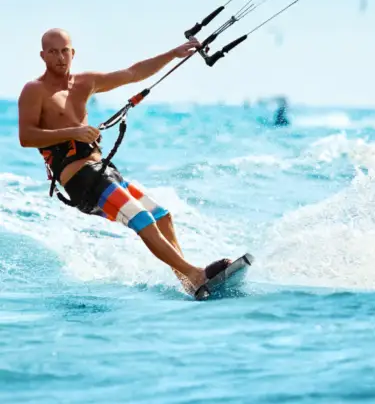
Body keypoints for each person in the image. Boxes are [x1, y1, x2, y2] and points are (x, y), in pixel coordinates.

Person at [18, 28, 230, 298]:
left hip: (103, 172)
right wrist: (74, 132)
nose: (60, 57)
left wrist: (173, 54)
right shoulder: (34, 90)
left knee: (162, 217)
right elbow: (26, 137)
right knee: (141, 219)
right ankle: (195, 273)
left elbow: (133, 73)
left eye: (64, 51)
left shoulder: (85, 82)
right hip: (81, 180)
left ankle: (188, 283)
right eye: (53, 52)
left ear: (73, 53)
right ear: (43, 56)